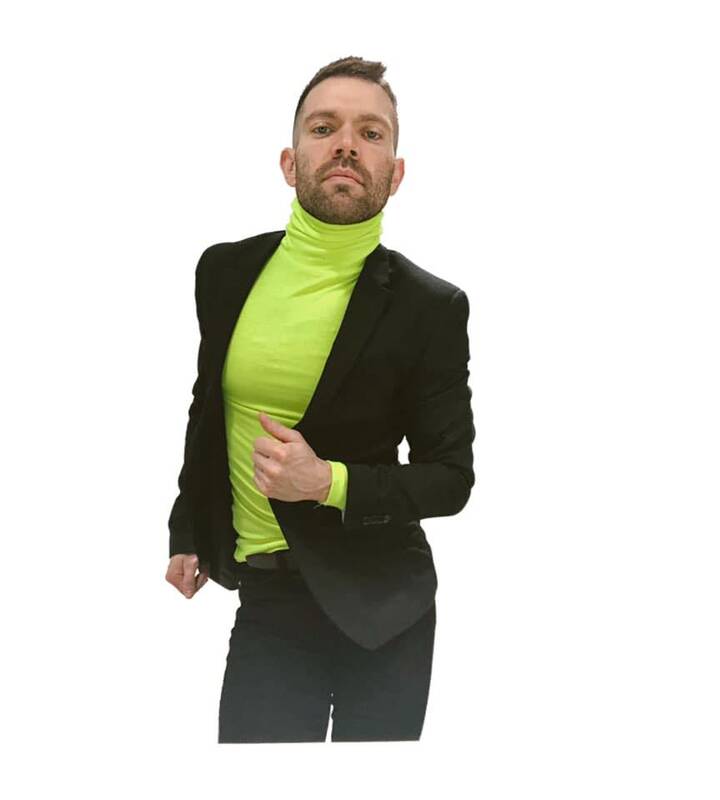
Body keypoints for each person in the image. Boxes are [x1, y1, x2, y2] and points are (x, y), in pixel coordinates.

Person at [165, 55, 475, 743]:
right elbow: (206, 406)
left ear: (395, 172)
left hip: (383, 604)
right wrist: (188, 529)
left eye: (371, 133)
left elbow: (451, 479)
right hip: (268, 596)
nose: (346, 145)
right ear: (289, 161)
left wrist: (325, 482)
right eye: (324, 127)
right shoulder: (224, 271)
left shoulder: (430, 308)